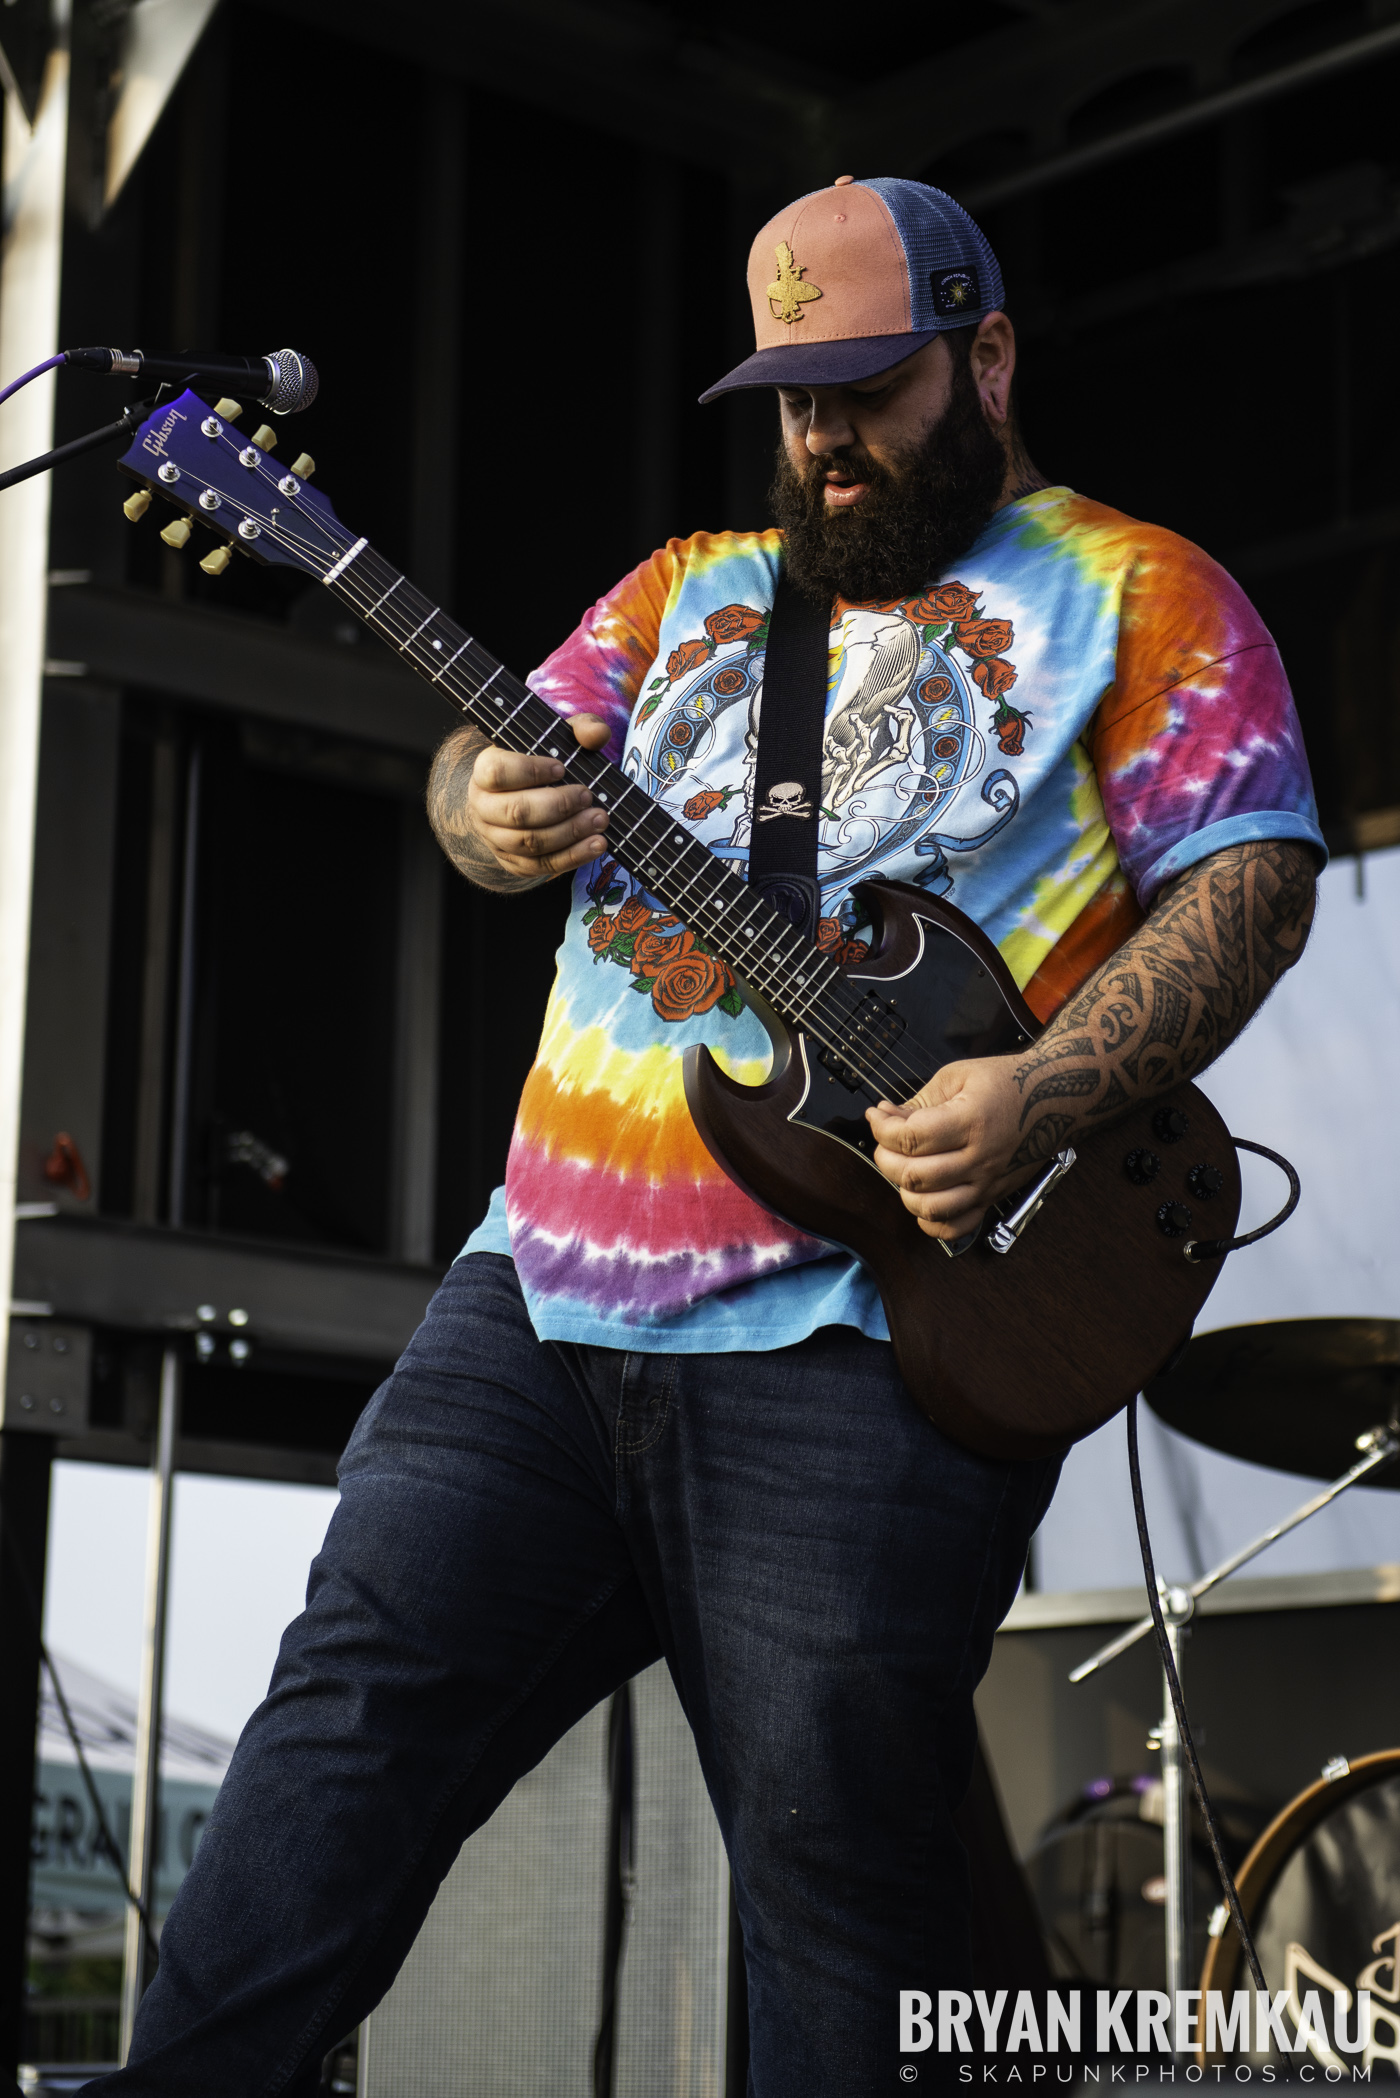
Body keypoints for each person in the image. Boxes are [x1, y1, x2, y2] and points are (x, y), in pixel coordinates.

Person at [94, 178, 1322, 2096]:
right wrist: (471, 802)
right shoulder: (684, 592)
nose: (826, 440)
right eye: (794, 401)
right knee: (313, 1788)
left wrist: (1039, 1090)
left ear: (986, 357)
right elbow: (485, 763)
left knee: (841, 1931)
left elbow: (1249, 886)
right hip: (537, 1309)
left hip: (858, 1349)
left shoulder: (1141, 590)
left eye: (870, 388)